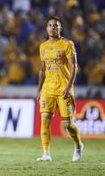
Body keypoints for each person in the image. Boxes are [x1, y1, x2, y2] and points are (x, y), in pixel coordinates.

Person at [36, 16, 83, 162]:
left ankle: (78, 145)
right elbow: (42, 70)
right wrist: (38, 90)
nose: (53, 27)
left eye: (56, 25)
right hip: (47, 89)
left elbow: (74, 66)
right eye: (50, 25)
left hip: (63, 88)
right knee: (45, 120)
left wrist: (69, 87)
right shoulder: (43, 46)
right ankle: (46, 153)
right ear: (46, 28)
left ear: (60, 28)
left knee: (68, 124)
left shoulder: (67, 44)